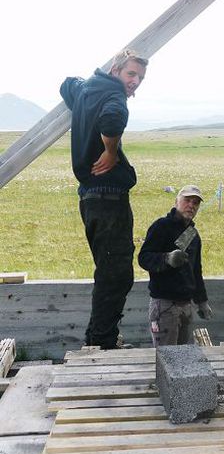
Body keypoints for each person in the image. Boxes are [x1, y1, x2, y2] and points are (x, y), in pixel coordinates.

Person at [60, 49, 148, 349]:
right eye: (131, 74)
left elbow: (67, 84)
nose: (135, 82)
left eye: (140, 77)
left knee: (108, 272)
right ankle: (104, 342)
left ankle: (95, 339)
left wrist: (86, 83)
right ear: (116, 70)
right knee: (116, 275)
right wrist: (110, 151)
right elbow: (113, 119)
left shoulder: (88, 90)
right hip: (109, 198)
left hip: (90, 198)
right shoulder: (114, 96)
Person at [138, 185, 213, 346]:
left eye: (195, 203)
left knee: (182, 359)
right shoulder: (161, 226)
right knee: (167, 359)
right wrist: (166, 259)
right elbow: (143, 258)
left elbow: (196, 271)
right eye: (187, 200)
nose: (191, 205)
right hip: (165, 305)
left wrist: (202, 301)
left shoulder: (192, 234)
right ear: (176, 201)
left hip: (186, 306)